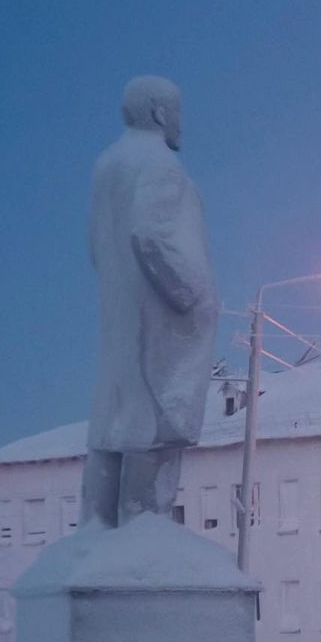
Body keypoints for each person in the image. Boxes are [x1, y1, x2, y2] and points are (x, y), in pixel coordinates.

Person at [83, 76, 218, 526]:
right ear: (160, 112)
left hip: (121, 311)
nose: (182, 123)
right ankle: (144, 526)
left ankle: (99, 525)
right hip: (159, 317)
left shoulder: (107, 165)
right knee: (156, 421)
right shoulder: (160, 165)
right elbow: (151, 234)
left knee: (115, 420)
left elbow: (96, 245)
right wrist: (193, 294)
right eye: (177, 112)